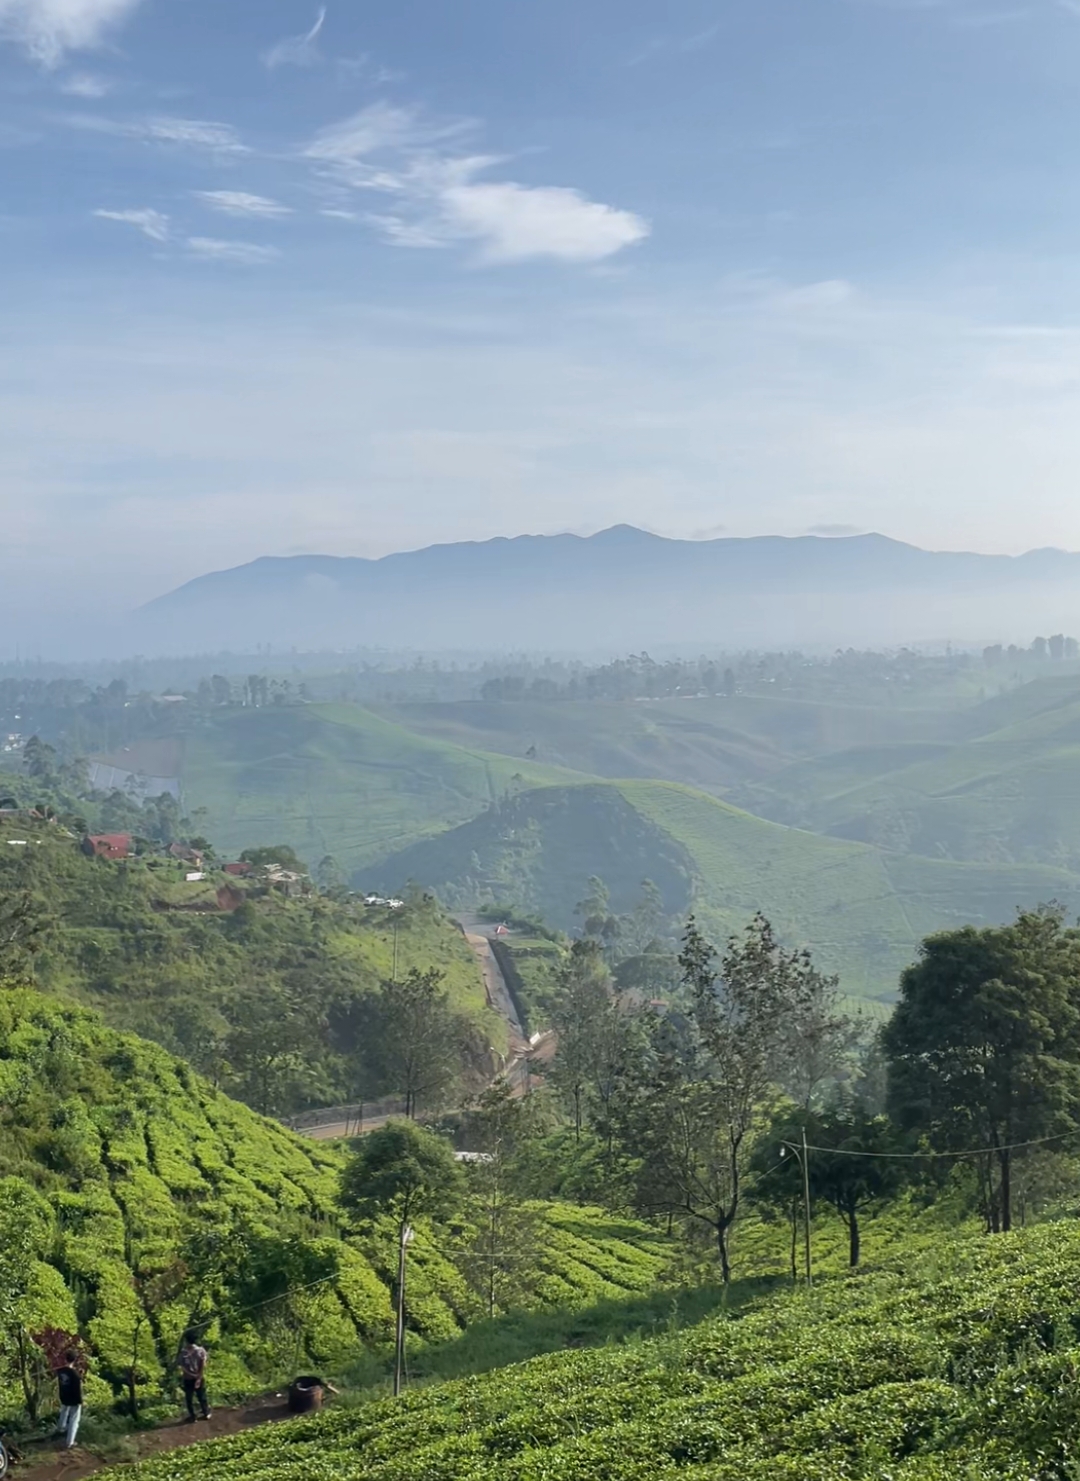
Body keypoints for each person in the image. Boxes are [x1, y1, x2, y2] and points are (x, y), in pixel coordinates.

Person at [177, 1330, 211, 1423]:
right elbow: (203, 1365)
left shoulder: (183, 1353)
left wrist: (192, 1375)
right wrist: (199, 1378)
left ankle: (193, 1416)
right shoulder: (201, 1351)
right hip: (199, 1377)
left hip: (188, 1378)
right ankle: (206, 1413)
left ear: (186, 1341)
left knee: (189, 1398)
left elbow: (182, 1367)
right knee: (202, 1396)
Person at [54, 1350, 83, 1451]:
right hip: (74, 1399)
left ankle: (61, 1428)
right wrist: (80, 1401)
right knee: (74, 1420)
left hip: (64, 1397)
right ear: (75, 1360)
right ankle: (70, 1442)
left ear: (65, 1358)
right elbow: (78, 1390)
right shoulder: (75, 1375)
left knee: (64, 1412)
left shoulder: (61, 1371)